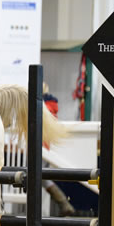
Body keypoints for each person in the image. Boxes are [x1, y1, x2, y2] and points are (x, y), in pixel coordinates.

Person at [42, 82, 76, 216]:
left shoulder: (43, 105)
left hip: (41, 144)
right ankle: (64, 204)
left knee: (36, 176)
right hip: (46, 143)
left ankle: (64, 203)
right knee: (40, 177)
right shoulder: (52, 104)